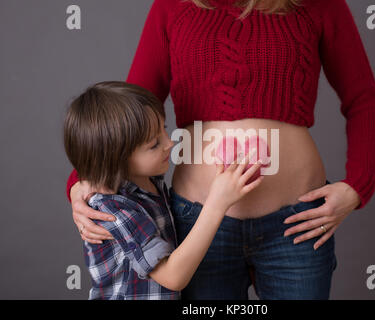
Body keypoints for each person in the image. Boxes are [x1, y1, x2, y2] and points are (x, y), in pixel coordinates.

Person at [66, 0, 375, 300]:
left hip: (297, 222)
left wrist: (358, 186)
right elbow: (125, 113)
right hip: (197, 222)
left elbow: (363, 98)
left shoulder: (318, 4)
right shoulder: (173, 5)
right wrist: (83, 179)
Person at [63, 81, 264, 299]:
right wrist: (218, 203)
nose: (169, 143)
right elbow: (173, 276)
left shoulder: (150, 185)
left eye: (164, 131)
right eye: (154, 144)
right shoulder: (112, 209)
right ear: (116, 159)